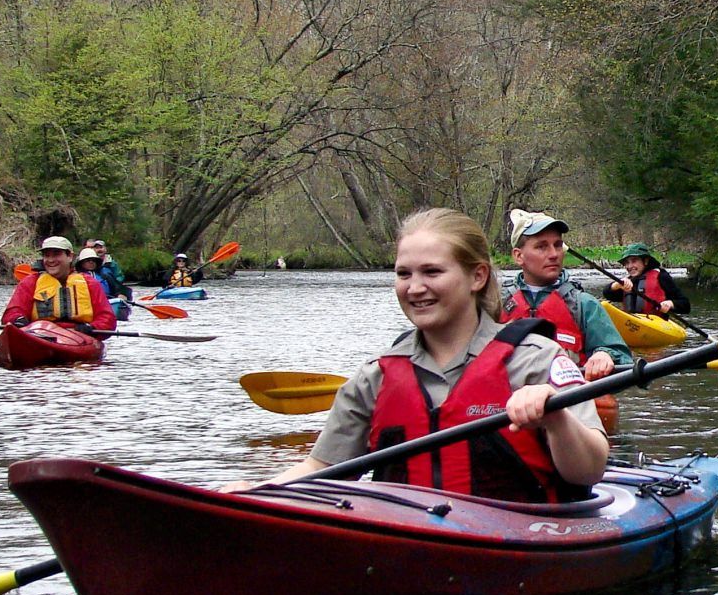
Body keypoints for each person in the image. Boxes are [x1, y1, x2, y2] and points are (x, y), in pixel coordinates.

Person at [221, 208, 609, 503]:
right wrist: (258, 491)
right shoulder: (376, 376)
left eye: (432, 272)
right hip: (412, 542)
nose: (415, 287)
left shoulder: (535, 359)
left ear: (477, 277)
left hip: (520, 541)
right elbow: (321, 470)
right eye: (404, 274)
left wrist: (556, 418)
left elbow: (589, 471)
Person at [501, 209, 632, 380]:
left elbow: (623, 360)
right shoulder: (495, 304)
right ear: (519, 256)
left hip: (570, 404)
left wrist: (605, 355)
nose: (554, 254)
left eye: (557, 245)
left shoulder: (584, 305)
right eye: (541, 246)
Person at [2, 236, 117, 334]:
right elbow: (12, 312)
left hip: (79, 335)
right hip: (39, 334)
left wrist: (92, 328)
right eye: (47, 255)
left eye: (56, 254)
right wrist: (17, 320)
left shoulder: (90, 284)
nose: (50, 260)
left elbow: (107, 318)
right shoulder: (30, 283)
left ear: (70, 256)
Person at [601, 242, 691, 316]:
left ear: (646, 261)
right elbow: (607, 294)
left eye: (634, 261)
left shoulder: (661, 276)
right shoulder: (627, 282)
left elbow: (685, 305)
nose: (629, 266)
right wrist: (616, 285)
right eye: (627, 263)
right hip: (632, 325)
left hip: (655, 326)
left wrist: (670, 304)